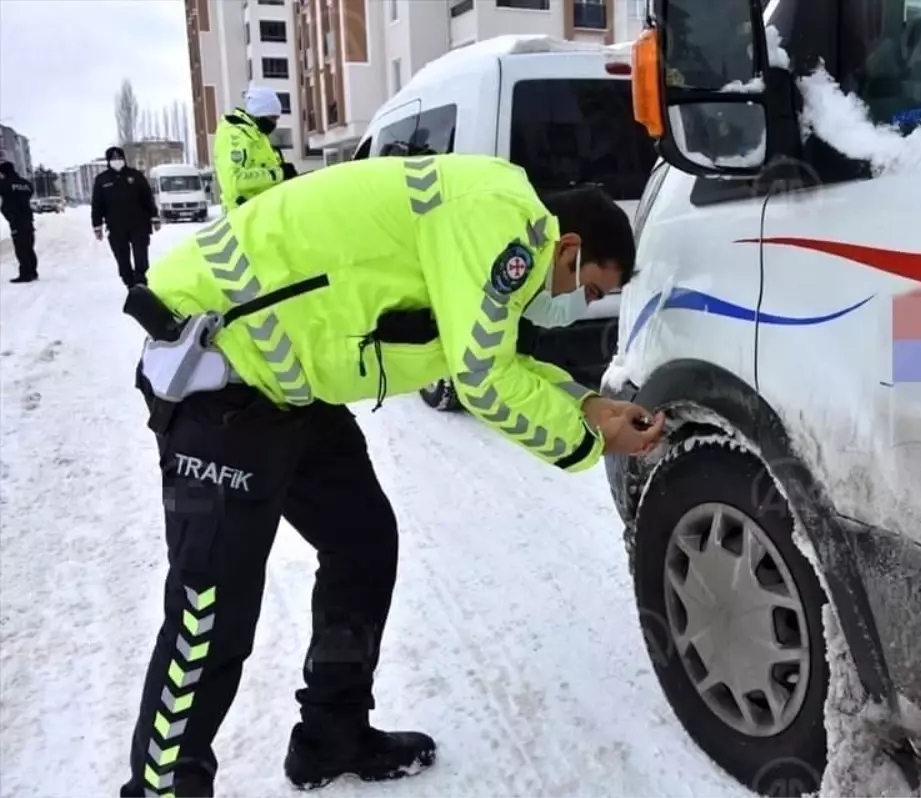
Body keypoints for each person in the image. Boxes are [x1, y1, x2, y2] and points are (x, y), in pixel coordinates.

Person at [119, 153, 664, 798]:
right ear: (567, 246)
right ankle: (162, 790)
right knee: (212, 604)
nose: (582, 306)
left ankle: (332, 734)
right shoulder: (500, 223)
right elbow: (483, 380)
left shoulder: (499, 230)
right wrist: (588, 439)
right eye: (591, 289)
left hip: (287, 383)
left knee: (362, 542)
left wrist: (586, 405)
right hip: (218, 365)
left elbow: (502, 357)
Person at [212, 84, 297, 213]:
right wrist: (279, 173)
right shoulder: (235, 136)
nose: (274, 123)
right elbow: (235, 180)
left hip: (261, 213)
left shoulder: (257, 136)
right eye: (272, 118)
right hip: (243, 216)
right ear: (259, 113)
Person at [92, 146, 160, 288]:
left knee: (141, 257)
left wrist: (154, 217)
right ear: (108, 161)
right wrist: (97, 226)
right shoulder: (102, 180)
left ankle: (141, 284)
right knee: (123, 260)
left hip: (139, 224)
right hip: (116, 227)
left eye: (119, 158)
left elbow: (147, 197)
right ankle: (130, 284)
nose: (117, 161)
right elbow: (97, 205)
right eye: (113, 158)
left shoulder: (135, 176)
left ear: (124, 159)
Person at [0, 159, 38, 283]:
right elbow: (30, 193)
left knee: (21, 248)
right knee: (29, 246)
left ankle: (25, 274)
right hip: (27, 216)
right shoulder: (26, 183)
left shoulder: (5, 183)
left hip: (15, 218)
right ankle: (32, 272)